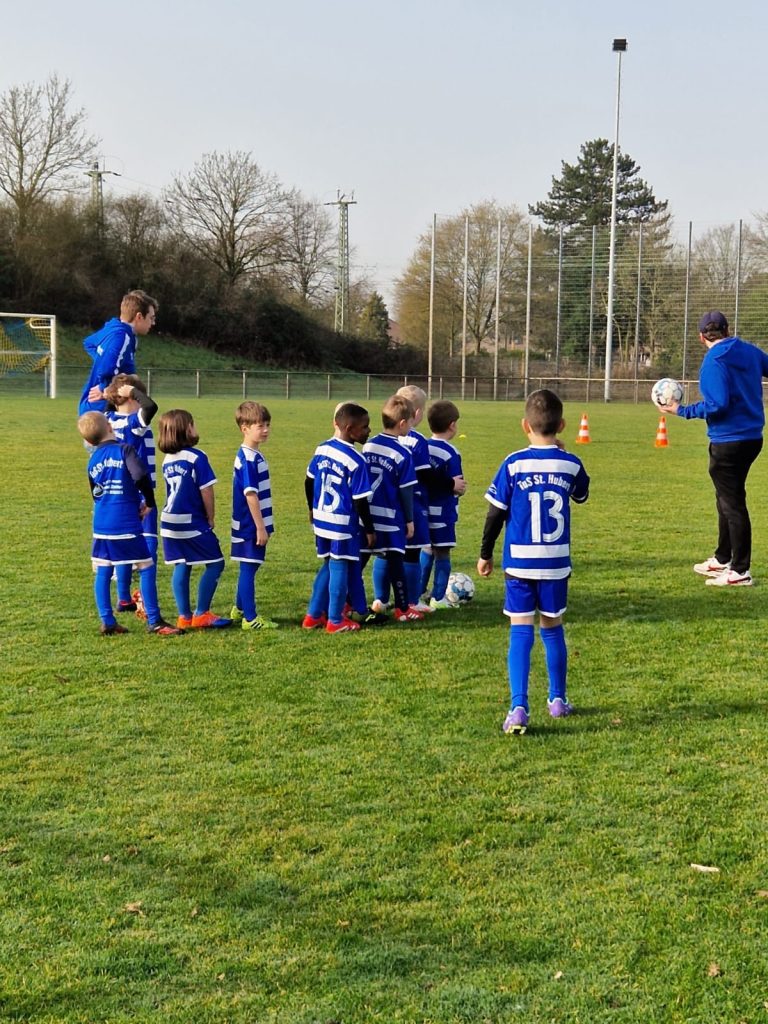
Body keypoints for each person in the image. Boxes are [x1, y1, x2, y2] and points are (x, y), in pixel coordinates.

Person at [477, 389, 589, 734]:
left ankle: (518, 707)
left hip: (520, 562)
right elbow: (581, 494)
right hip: (555, 563)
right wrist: (563, 455)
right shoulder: (570, 463)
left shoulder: (513, 464)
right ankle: (557, 700)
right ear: (562, 425)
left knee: (520, 629)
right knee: (552, 627)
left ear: (525, 425)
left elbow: (495, 513)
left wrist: (485, 553)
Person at [664, 311, 768, 587]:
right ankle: (723, 558)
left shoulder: (714, 361)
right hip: (752, 437)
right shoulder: (749, 351)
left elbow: (717, 404)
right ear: (727, 330)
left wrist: (682, 410)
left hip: (728, 441)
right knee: (726, 497)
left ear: (701, 337)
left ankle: (740, 570)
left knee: (732, 504)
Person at [76, 411, 183, 637]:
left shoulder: (93, 459)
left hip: (101, 525)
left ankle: (107, 620)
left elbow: (96, 493)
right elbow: (140, 476)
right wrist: (149, 502)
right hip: (124, 523)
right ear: (109, 427)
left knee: (104, 571)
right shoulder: (125, 450)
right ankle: (154, 620)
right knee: (146, 567)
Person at [303, 403, 375, 633]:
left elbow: (308, 481)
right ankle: (335, 620)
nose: (369, 431)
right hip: (342, 524)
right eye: (365, 427)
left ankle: (313, 615)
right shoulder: (356, 460)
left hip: (321, 519)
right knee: (339, 567)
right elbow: (360, 501)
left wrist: (311, 509)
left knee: (328, 564)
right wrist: (370, 529)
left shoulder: (322, 449)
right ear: (350, 429)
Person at [157, 409, 232, 629]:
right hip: (191, 521)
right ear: (187, 428)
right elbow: (206, 490)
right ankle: (201, 614)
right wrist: (211, 516)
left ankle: (184, 616)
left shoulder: (167, 459)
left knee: (182, 563)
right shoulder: (197, 457)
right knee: (216, 563)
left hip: (168, 521)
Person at [362, 394, 424, 622]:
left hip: (368, 515)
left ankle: (347, 603)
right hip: (391, 517)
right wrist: (409, 520)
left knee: (361, 559)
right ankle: (403, 609)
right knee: (396, 560)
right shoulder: (403, 453)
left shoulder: (368, 445)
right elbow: (406, 491)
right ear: (402, 423)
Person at [103, 373, 159, 614]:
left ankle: (124, 598)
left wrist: (110, 395)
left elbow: (110, 407)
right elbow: (151, 406)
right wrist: (131, 391)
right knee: (148, 545)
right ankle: (147, 602)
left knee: (125, 544)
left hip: (119, 494)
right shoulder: (134, 423)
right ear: (130, 398)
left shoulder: (108, 420)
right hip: (141, 493)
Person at [230, 401, 278, 630]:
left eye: (267, 424)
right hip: (250, 524)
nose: (266, 429)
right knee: (249, 567)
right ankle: (250, 618)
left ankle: (239, 609)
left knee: (250, 565)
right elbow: (250, 495)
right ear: (245, 428)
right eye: (260, 426)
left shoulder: (253, 454)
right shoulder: (248, 459)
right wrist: (260, 527)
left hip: (250, 523)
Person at [419, 400, 467, 608]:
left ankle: (418, 593)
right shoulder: (451, 452)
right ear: (452, 425)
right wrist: (461, 488)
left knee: (426, 549)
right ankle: (438, 598)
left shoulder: (423, 447)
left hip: (422, 510)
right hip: (443, 512)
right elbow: (457, 485)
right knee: (442, 552)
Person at [78, 290, 158, 414]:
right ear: (139, 317)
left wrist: (103, 359)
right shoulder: (121, 336)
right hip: (101, 405)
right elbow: (106, 369)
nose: (153, 323)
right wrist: (103, 387)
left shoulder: (118, 331)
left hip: (98, 405)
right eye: (151, 318)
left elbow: (89, 343)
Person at [395, 385, 434, 613]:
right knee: (412, 553)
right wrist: (450, 484)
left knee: (387, 553)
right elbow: (425, 475)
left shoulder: (382, 439)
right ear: (417, 413)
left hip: (388, 504)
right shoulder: (418, 441)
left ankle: (380, 598)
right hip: (413, 503)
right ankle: (411, 601)